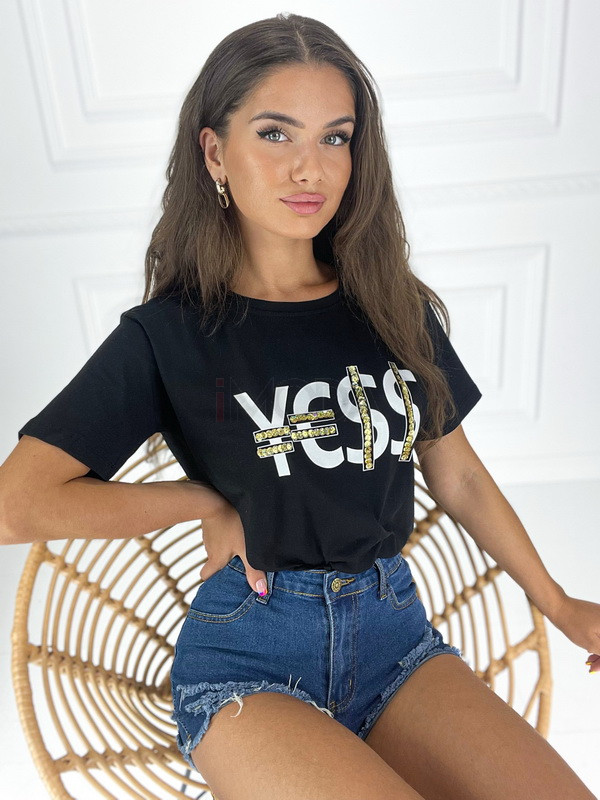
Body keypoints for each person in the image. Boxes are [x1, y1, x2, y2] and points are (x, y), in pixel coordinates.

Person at [1, 12, 598, 800]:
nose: (309, 168)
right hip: (248, 659)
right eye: (276, 134)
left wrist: (557, 602)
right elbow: (15, 506)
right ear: (214, 151)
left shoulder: (391, 308)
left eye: (335, 138)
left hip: (394, 638)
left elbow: (458, 477)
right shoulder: (169, 335)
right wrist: (206, 500)